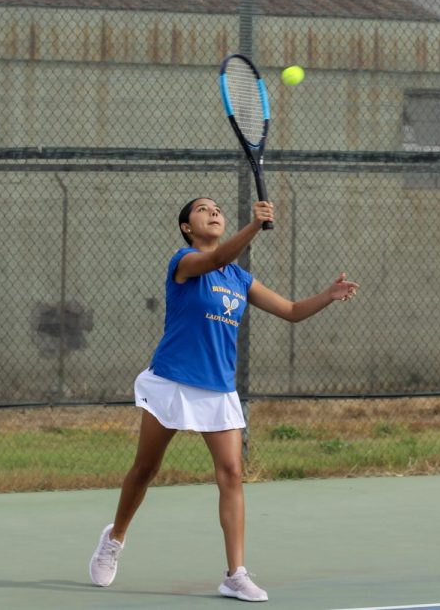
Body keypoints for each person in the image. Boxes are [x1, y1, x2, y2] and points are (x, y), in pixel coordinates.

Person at [88, 196, 359, 601]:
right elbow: (213, 261)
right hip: (173, 382)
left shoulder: (239, 278)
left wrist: (327, 295)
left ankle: (235, 574)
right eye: (202, 209)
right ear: (186, 227)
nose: (212, 212)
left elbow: (290, 310)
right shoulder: (183, 263)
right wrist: (253, 227)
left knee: (232, 474)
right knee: (145, 470)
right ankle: (115, 538)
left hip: (218, 389)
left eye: (216, 208)